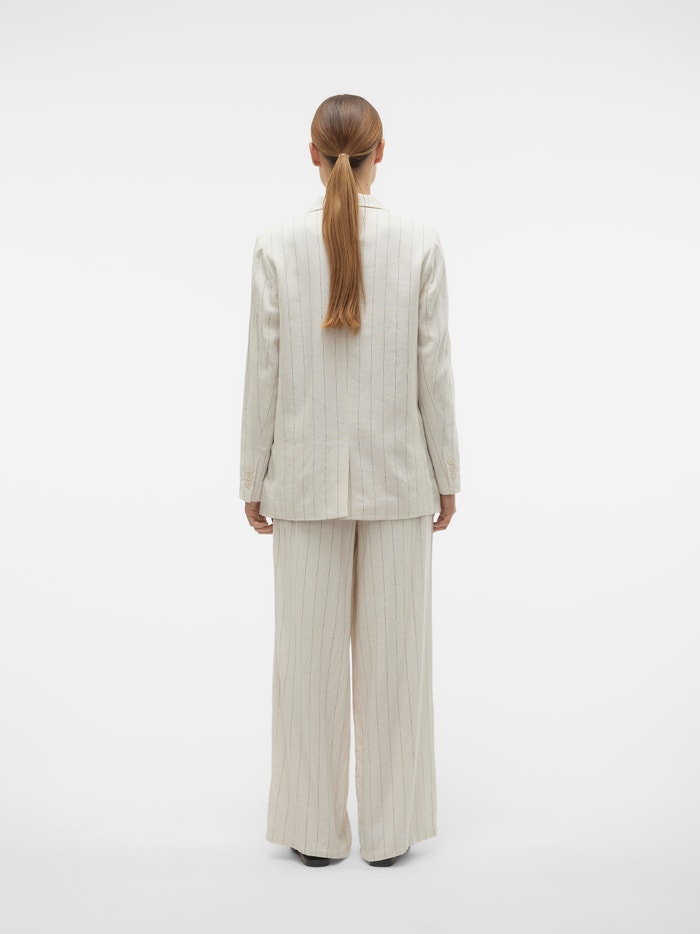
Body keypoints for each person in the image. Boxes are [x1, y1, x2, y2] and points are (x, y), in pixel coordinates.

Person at [239, 93, 460, 868]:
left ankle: (313, 831)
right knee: (397, 664)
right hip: (400, 476)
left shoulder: (275, 244)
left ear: (312, 154)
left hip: (300, 479)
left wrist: (253, 475)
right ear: (380, 153)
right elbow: (434, 370)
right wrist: (447, 474)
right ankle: (391, 833)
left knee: (305, 664)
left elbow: (262, 370)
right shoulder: (420, 241)